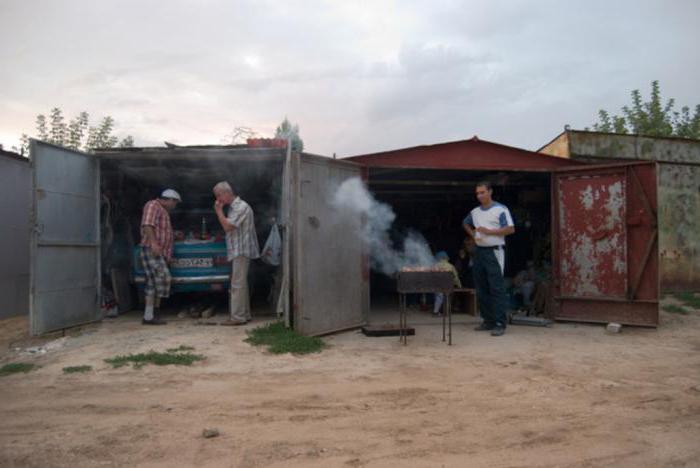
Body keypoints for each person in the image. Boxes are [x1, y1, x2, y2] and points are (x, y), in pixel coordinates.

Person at [463, 181, 515, 336]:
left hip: (494, 251)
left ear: (490, 192)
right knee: (481, 288)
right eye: (477, 193)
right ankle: (488, 320)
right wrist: (473, 235)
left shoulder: (500, 209)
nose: (479, 196)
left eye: (482, 192)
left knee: (496, 288)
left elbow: (510, 229)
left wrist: (488, 232)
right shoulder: (475, 212)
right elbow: (465, 223)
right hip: (479, 251)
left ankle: (500, 323)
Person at [213, 181, 260, 325]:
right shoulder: (234, 208)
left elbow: (228, 226)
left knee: (237, 284)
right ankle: (244, 315)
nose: (218, 200)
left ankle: (237, 317)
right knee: (241, 284)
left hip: (241, 250)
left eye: (218, 196)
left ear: (227, 193)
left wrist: (218, 211)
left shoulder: (241, 207)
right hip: (238, 250)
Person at [140, 189, 181, 325]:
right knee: (164, 278)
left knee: (153, 283)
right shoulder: (153, 205)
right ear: (169, 200)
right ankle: (154, 313)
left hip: (159, 252)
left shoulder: (163, 211)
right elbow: (147, 224)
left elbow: (162, 232)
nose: (175, 206)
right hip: (152, 250)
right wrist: (153, 243)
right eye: (175, 203)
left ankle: (149, 316)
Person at [433, 251, 462, 316]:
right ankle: (446, 312)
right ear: (446, 258)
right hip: (448, 286)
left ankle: (436, 311)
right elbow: (455, 277)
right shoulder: (451, 266)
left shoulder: (435, 266)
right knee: (448, 298)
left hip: (437, 286)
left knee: (438, 297)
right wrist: (459, 285)